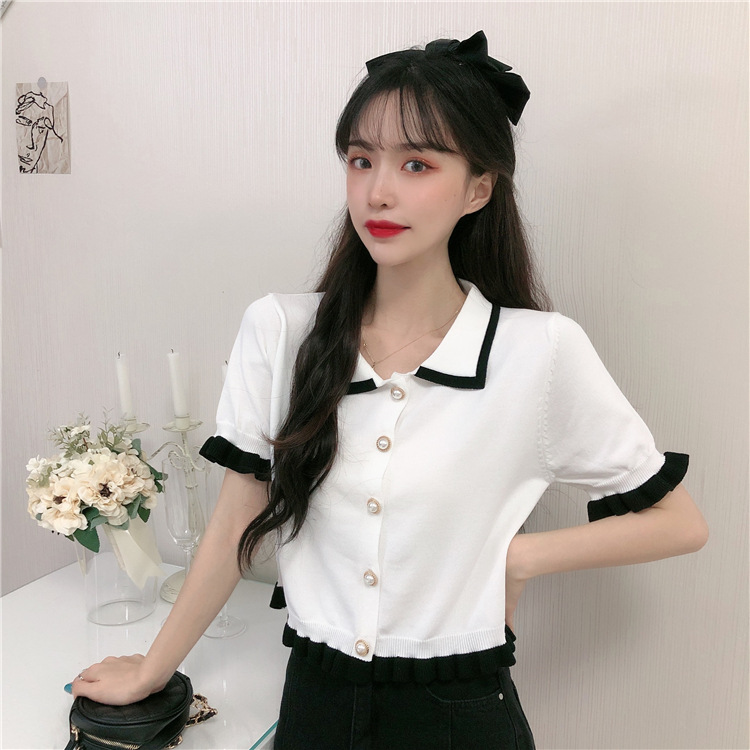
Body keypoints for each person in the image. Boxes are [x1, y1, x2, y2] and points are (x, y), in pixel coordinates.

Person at [72, 31, 708, 749]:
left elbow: (679, 522)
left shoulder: (540, 351)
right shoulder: (282, 332)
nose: (378, 190)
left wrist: (519, 559)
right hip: (316, 703)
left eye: (417, 164)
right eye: (361, 159)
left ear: (478, 188)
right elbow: (233, 527)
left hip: (465, 712)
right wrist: (153, 669)